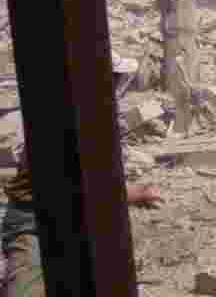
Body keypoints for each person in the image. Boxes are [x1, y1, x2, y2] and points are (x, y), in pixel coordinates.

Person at [3, 54, 163, 297]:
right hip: (33, 222)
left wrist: (135, 191)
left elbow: (92, 186)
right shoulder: (59, 119)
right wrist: (135, 192)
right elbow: (77, 187)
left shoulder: (93, 120)